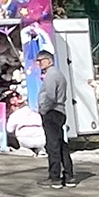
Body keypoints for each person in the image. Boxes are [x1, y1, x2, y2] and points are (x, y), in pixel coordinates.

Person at [37, 50, 74, 189]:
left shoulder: (51, 75)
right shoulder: (57, 74)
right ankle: (69, 175)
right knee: (60, 143)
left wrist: (43, 109)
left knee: (52, 145)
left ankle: (55, 177)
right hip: (59, 111)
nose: (39, 63)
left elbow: (51, 96)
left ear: (49, 61)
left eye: (41, 60)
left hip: (52, 112)